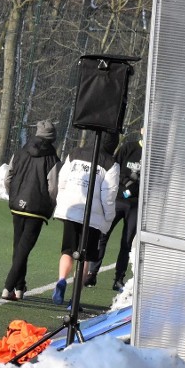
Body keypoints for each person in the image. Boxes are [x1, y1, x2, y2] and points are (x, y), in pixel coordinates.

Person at [51, 131, 120, 306]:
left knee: (67, 251)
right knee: (86, 257)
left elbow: (62, 181)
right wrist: (109, 217)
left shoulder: (74, 153)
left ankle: (61, 280)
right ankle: (74, 299)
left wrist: (62, 202)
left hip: (71, 210)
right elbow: (109, 196)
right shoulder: (111, 164)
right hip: (93, 216)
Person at [1, 120, 61, 300]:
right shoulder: (53, 159)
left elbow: (8, 177)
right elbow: (53, 187)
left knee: (19, 247)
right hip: (37, 209)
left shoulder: (20, 152)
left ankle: (19, 288)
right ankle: (8, 286)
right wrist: (50, 204)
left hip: (17, 206)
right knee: (24, 249)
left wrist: (13, 195)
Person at [85, 127, 143, 291]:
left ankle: (119, 279)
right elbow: (114, 169)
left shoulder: (154, 156)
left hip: (135, 206)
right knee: (102, 236)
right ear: (142, 130)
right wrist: (128, 183)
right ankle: (92, 274)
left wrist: (135, 189)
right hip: (118, 200)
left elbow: (153, 181)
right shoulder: (128, 148)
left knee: (126, 242)